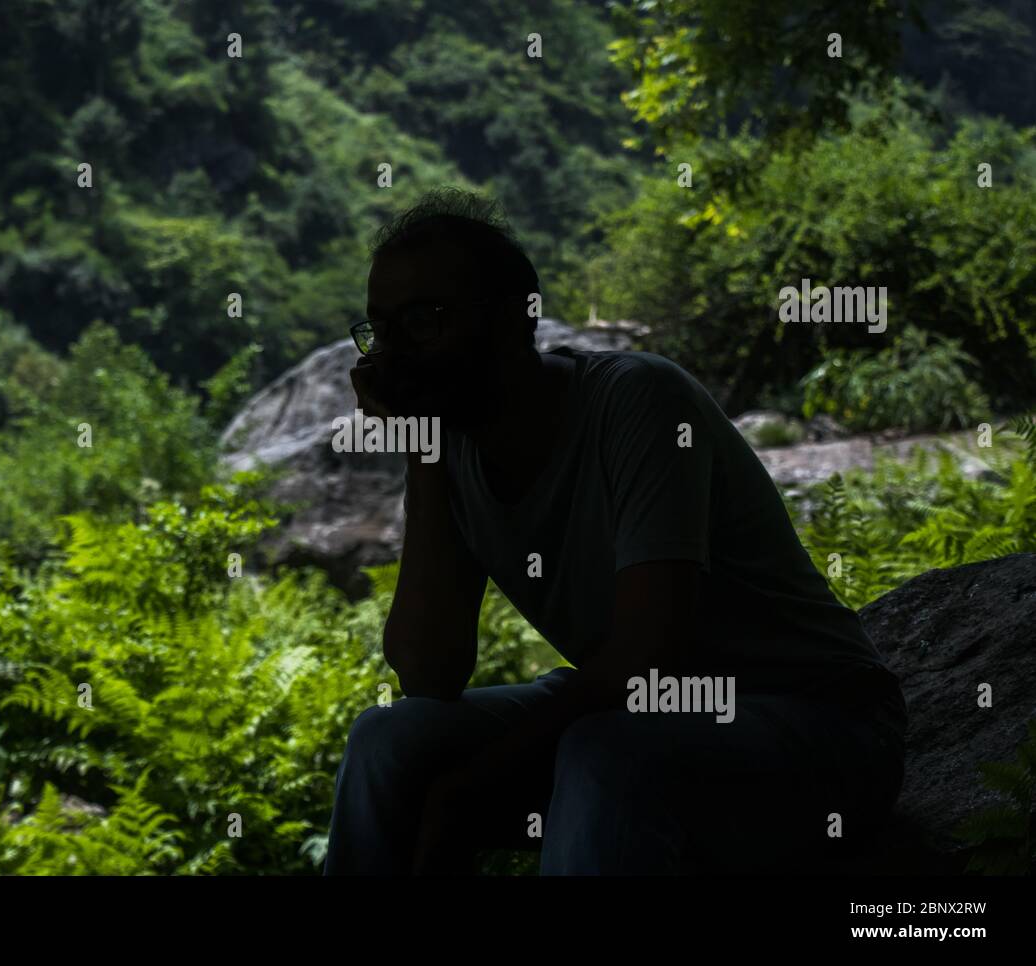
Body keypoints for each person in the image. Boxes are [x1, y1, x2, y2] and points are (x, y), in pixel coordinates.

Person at [322, 187, 906, 875]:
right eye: (379, 331)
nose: (390, 358)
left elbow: (646, 660)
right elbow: (429, 671)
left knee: (606, 753)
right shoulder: (454, 443)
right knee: (387, 739)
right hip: (645, 723)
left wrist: (469, 786)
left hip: (817, 726)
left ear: (514, 320)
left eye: (424, 321)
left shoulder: (638, 402)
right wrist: (423, 447)